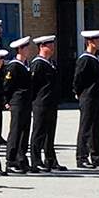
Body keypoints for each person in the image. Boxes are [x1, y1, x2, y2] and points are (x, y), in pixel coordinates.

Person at [73, 31, 99, 168]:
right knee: (85, 128)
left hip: (97, 97)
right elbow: (78, 79)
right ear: (90, 42)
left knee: (96, 128)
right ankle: (82, 157)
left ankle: (96, 155)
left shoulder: (96, 57)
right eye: (97, 40)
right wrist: (78, 92)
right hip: (88, 97)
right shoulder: (85, 59)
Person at [30, 35, 64, 172]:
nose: (52, 47)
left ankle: (50, 159)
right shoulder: (37, 64)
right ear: (42, 46)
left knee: (50, 133)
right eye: (49, 45)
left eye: (53, 45)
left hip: (51, 103)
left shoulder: (51, 63)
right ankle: (36, 160)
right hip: (41, 103)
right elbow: (33, 85)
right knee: (39, 132)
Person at [1, 38, 34, 174]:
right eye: (26, 48)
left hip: (26, 103)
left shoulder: (26, 65)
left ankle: (21, 158)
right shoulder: (14, 66)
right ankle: (11, 160)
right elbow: (7, 86)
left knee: (24, 131)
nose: (28, 50)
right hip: (17, 102)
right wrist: (6, 101)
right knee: (16, 131)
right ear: (20, 49)